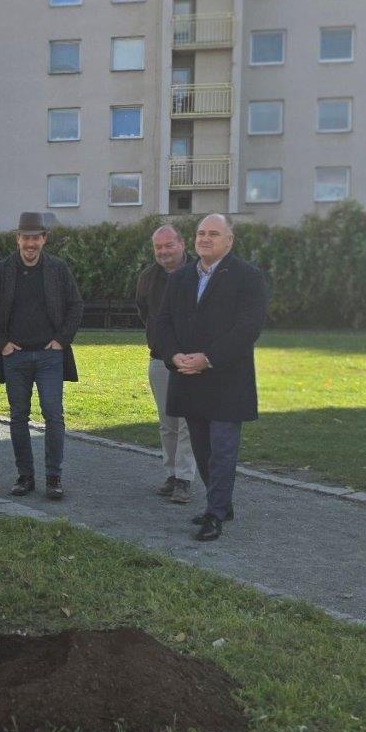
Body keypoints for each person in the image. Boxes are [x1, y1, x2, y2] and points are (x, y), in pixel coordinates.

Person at [154, 214, 267, 542]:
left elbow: (248, 328)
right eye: (201, 233)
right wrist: (174, 356)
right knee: (203, 450)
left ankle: (215, 513)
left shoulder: (248, 277)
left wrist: (208, 358)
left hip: (227, 379)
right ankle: (222, 504)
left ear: (229, 241)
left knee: (222, 448)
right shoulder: (180, 278)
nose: (205, 238)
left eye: (214, 234)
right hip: (188, 377)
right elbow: (162, 324)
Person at [0, 211, 84, 500]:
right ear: (18, 239)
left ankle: (53, 477)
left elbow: (76, 305)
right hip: (16, 357)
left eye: (36, 237)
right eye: (26, 237)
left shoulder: (57, 269)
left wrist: (62, 340)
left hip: (50, 357)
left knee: (54, 415)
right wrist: (2, 344)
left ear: (44, 239)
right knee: (18, 416)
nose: (30, 243)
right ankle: (25, 476)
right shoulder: (1, 270)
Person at [134, 224, 197, 504]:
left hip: (191, 360)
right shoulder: (148, 278)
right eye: (158, 247)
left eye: (168, 245)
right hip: (160, 360)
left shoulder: (201, 274)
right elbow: (144, 312)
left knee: (189, 422)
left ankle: (184, 478)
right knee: (167, 423)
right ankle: (171, 474)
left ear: (182, 244)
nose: (163, 252)